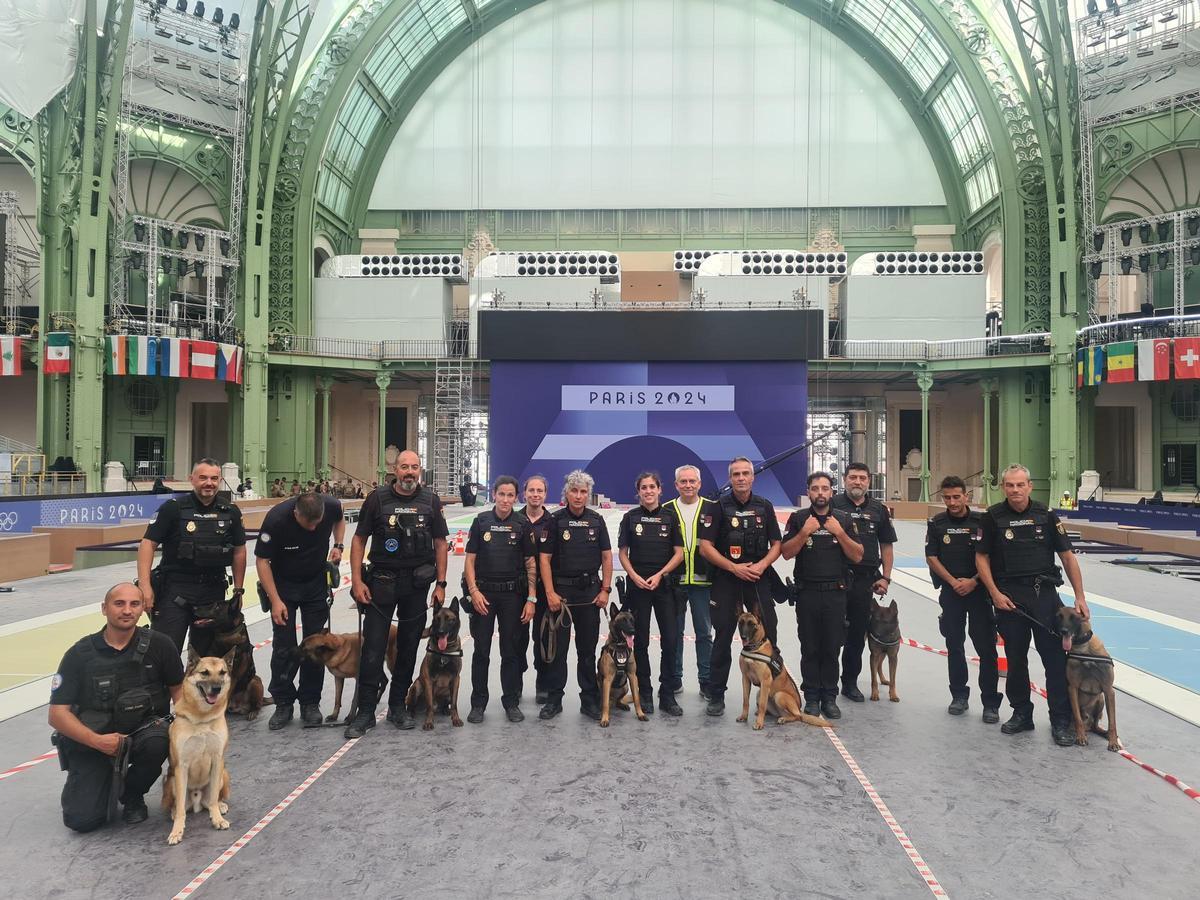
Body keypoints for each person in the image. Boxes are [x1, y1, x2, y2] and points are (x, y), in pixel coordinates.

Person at [49, 583, 183, 831]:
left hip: (142, 733)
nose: (127, 610)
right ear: (104, 609)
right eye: (119, 603)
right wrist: (97, 741)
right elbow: (57, 715)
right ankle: (101, 781)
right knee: (83, 821)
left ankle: (132, 795)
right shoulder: (78, 654)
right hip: (95, 740)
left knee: (160, 738)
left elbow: (180, 694)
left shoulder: (161, 646)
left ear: (143, 608)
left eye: (135, 604)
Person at [975, 464, 1091, 747]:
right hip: (1009, 598)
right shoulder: (992, 517)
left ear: (1030, 486)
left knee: (1054, 660)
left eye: (1020, 485)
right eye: (1009, 485)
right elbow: (981, 558)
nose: (1015, 490)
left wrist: (1080, 595)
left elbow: (1067, 556)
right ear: (1003, 487)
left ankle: (1060, 721)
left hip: (1044, 597)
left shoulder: (1046, 515)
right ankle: (1021, 713)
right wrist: (994, 593)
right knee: (1015, 659)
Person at [344, 450, 449, 738]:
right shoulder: (377, 499)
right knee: (373, 650)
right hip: (381, 585)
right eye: (405, 467)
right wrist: (356, 581)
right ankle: (365, 712)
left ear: (420, 470)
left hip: (416, 586)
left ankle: (397, 707)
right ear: (395, 469)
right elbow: (358, 539)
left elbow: (440, 543)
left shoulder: (430, 501)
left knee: (407, 649)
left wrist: (441, 584)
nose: (410, 472)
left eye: (415, 467)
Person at [697, 456, 783, 717]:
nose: (741, 478)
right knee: (722, 637)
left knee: (769, 635)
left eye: (746, 473)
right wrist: (734, 568)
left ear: (753, 477)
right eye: (736, 474)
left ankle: (772, 693)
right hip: (727, 578)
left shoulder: (764, 506)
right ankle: (716, 695)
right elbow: (705, 547)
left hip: (757, 577)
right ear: (730, 478)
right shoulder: (717, 507)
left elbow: (776, 544)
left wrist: (761, 566)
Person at [137, 458, 247, 655]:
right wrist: (145, 587)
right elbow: (148, 544)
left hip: (212, 593)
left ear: (220, 480)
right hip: (174, 592)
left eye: (214, 478)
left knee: (206, 658)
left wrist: (238, 590)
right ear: (192, 479)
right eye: (203, 477)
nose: (209, 483)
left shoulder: (230, 512)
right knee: (164, 653)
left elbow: (239, 551)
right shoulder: (172, 508)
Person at [256, 491, 346, 730]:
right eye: (309, 524)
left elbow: (340, 518)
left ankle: (310, 703)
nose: (314, 528)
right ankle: (283, 703)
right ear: (296, 513)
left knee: (316, 645)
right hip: (283, 586)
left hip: (315, 585)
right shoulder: (276, 520)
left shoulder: (331, 505)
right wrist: (275, 600)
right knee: (284, 646)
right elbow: (262, 562)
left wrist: (338, 544)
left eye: (318, 523)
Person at [781, 472, 862, 719]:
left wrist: (840, 533)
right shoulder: (798, 519)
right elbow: (786, 553)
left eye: (825, 488)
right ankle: (812, 697)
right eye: (815, 488)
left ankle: (830, 696)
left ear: (831, 492)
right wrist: (804, 533)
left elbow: (858, 555)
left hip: (835, 594)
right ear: (808, 492)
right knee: (810, 647)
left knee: (831, 647)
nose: (820, 493)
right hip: (807, 593)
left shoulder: (844, 519)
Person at [537, 470, 613, 720]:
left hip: (590, 594)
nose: (579, 496)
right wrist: (550, 593)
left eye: (583, 492)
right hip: (562, 596)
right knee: (557, 651)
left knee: (587, 651)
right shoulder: (554, 520)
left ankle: (589, 700)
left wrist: (605, 590)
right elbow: (544, 560)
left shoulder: (597, 520)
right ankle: (554, 699)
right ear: (566, 493)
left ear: (588, 495)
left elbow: (606, 557)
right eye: (574, 491)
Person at [925, 476, 1002, 722]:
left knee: (987, 649)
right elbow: (932, 557)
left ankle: (990, 703)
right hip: (951, 593)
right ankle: (959, 696)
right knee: (954, 646)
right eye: (947, 497)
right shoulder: (936, 523)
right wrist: (952, 582)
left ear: (966, 496)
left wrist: (974, 581)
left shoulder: (982, 522)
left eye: (956, 497)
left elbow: (992, 556)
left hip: (979, 592)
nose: (952, 502)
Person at [464, 476, 537, 723]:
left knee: (510, 652)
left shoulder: (523, 524)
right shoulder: (481, 522)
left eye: (510, 495)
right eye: (501, 494)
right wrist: (473, 591)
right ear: (493, 494)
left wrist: (531, 599)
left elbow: (530, 564)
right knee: (481, 651)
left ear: (516, 498)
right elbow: (470, 560)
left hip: (512, 597)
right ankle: (478, 703)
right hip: (483, 596)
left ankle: (511, 702)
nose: (506, 500)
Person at [617, 472, 685, 716]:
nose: (648, 491)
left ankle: (667, 695)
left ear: (660, 490)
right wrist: (634, 576)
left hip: (664, 586)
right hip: (639, 587)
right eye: (643, 487)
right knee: (641, 642)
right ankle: (644, 693)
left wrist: (660, 575)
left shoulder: (670, 517)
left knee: (670, 640)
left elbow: (679, 553)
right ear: (639, 491)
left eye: (652, 487)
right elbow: (623, 553)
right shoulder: (630, 517)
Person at [832, 462, 897, 703]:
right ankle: (827, 683)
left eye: (862, 478)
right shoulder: (833, 505)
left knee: (857, 634)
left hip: (865, 581)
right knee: (831, 633)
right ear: (844, 479)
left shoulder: (879, 510)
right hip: (836, 578)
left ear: (869, 481)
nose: (857, 482)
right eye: (852, 477)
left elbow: (886, 546)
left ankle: (849, 683)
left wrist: (886, 577)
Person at [665, 465, 716, 700]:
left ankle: (706, 680)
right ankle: (674, 678)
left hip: (703, 582)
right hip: (675, 583)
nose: (688, 485)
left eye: (692, 481)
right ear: (676, 485)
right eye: (683, 481)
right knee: (675, 633)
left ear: (699, 483)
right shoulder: (667, 510)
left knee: (704, 632)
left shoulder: (712, 509)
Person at [519, 475, 553, 704]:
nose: (535, 494)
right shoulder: (514, 519)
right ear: (524, 493)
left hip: (544, 591)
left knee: (543, 638)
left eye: (539, 490)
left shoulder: (553, 522)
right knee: (516, 640)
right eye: (531, 490)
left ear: (545, 494)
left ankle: (543, 683)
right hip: (517, 591)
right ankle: (515, 683)